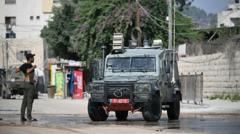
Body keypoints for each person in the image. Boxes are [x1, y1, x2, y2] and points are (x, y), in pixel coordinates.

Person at [16, 53, 37, 122]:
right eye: (32, 57)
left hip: (26, 84)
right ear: (30, 58)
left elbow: (17, 70)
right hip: (30, 85)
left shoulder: (24, 65)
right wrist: (33, 67)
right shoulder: (29, 65)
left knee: (24, 102)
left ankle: (22, 117)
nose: (33, 59)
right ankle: (29, 117)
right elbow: (27, 71)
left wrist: (27, 76)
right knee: (29, 101)